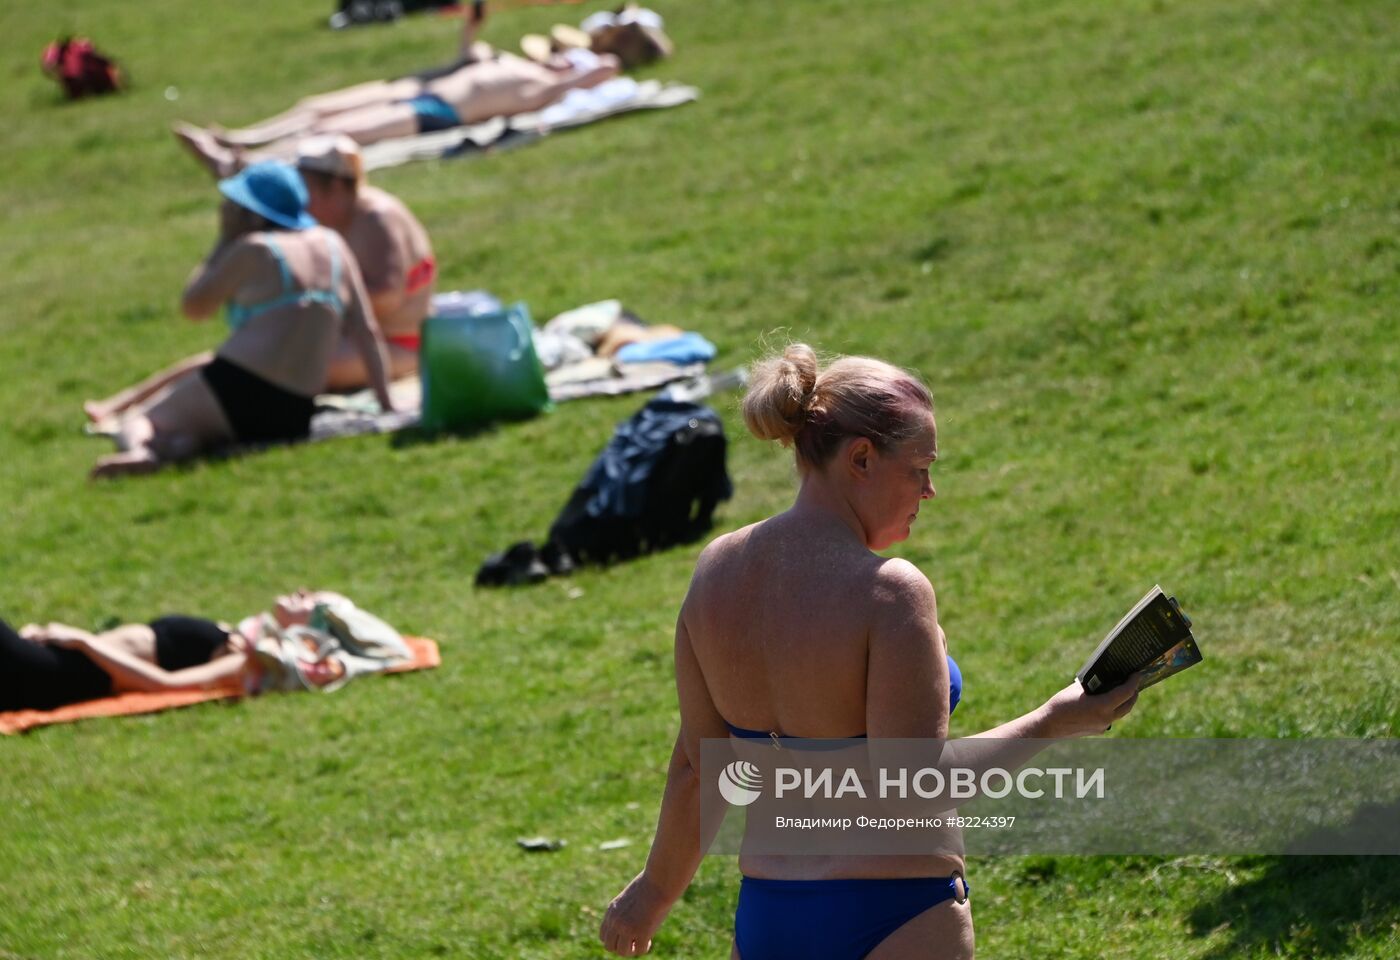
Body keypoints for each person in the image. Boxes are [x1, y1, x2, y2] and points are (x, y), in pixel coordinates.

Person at [599, 344, 1141, 959]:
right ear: (861, 458)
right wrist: (1054, 721)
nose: (930, 490)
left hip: (771, 916)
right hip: (895, 914)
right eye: (919, 468)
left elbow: (703, 768)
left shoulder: (715, 570)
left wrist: (654, 893)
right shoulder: (889, 591)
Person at [90, 162, 394, 477]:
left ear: (252, 213)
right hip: (294, 411)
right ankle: (183, 446)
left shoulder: (256, 249)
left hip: (237, 385)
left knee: (141, 419)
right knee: (192, 426)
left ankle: (141, 451)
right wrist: (386, 405)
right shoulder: (334, 247)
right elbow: (366, 331)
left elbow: (194, 306)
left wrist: (223, 241)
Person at [171, 9, 621, 177]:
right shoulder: (520, 65)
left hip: (439, 113)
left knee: (334, 131)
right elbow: (470, 48)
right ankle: (243, 149)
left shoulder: (549, 87)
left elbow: (606, 69)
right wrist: (474, 22)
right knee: (325, 120)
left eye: (566, 56)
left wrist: (585, 67)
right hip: (420, 98)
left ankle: (240, 164)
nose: (559, 57)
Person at [0, 589, 339, 711]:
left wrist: (82, 641)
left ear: (311, 631)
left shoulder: (241, 661)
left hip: (67, 675)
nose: (302, 590)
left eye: (312, 598)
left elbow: (163, 684)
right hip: (57, 659)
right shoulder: (239, 638)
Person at [296, 135, 434, 388]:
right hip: (357, 339)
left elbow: (387, 297)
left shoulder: (377, 219)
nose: (302, 204)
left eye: (307, 192)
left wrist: (317, 301)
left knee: (294, 368)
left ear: (336, 186)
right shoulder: (337, 219)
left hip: (400, 344)